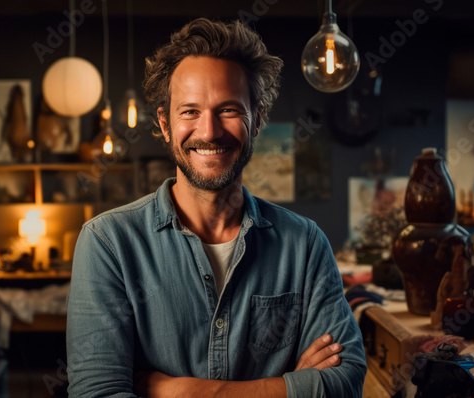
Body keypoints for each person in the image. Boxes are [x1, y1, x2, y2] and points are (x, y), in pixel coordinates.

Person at [67, 18, 366, 397]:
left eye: (227, 110)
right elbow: (97, 393)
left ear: (256, 119)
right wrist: (289, 386)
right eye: (190, 111)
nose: (208, 132)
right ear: (164, 123)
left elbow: (345, 382)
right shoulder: (108, 243)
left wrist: (179, 391)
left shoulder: (304, 244)